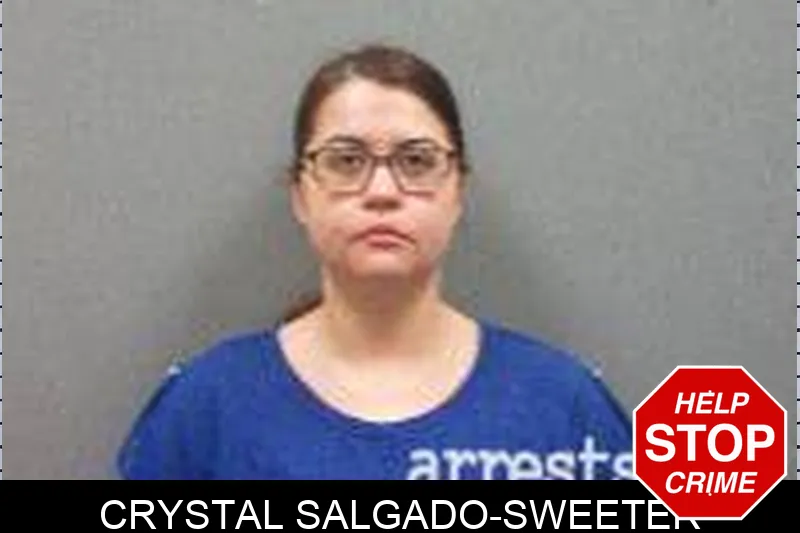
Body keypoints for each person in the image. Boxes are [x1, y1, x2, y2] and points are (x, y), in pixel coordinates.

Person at [116, 43, 633, 480]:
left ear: (458, 192)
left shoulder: (564, 407)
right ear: (299, 195)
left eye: (417, 161)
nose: (382, 191)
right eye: (346, 160)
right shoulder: (205, 410)